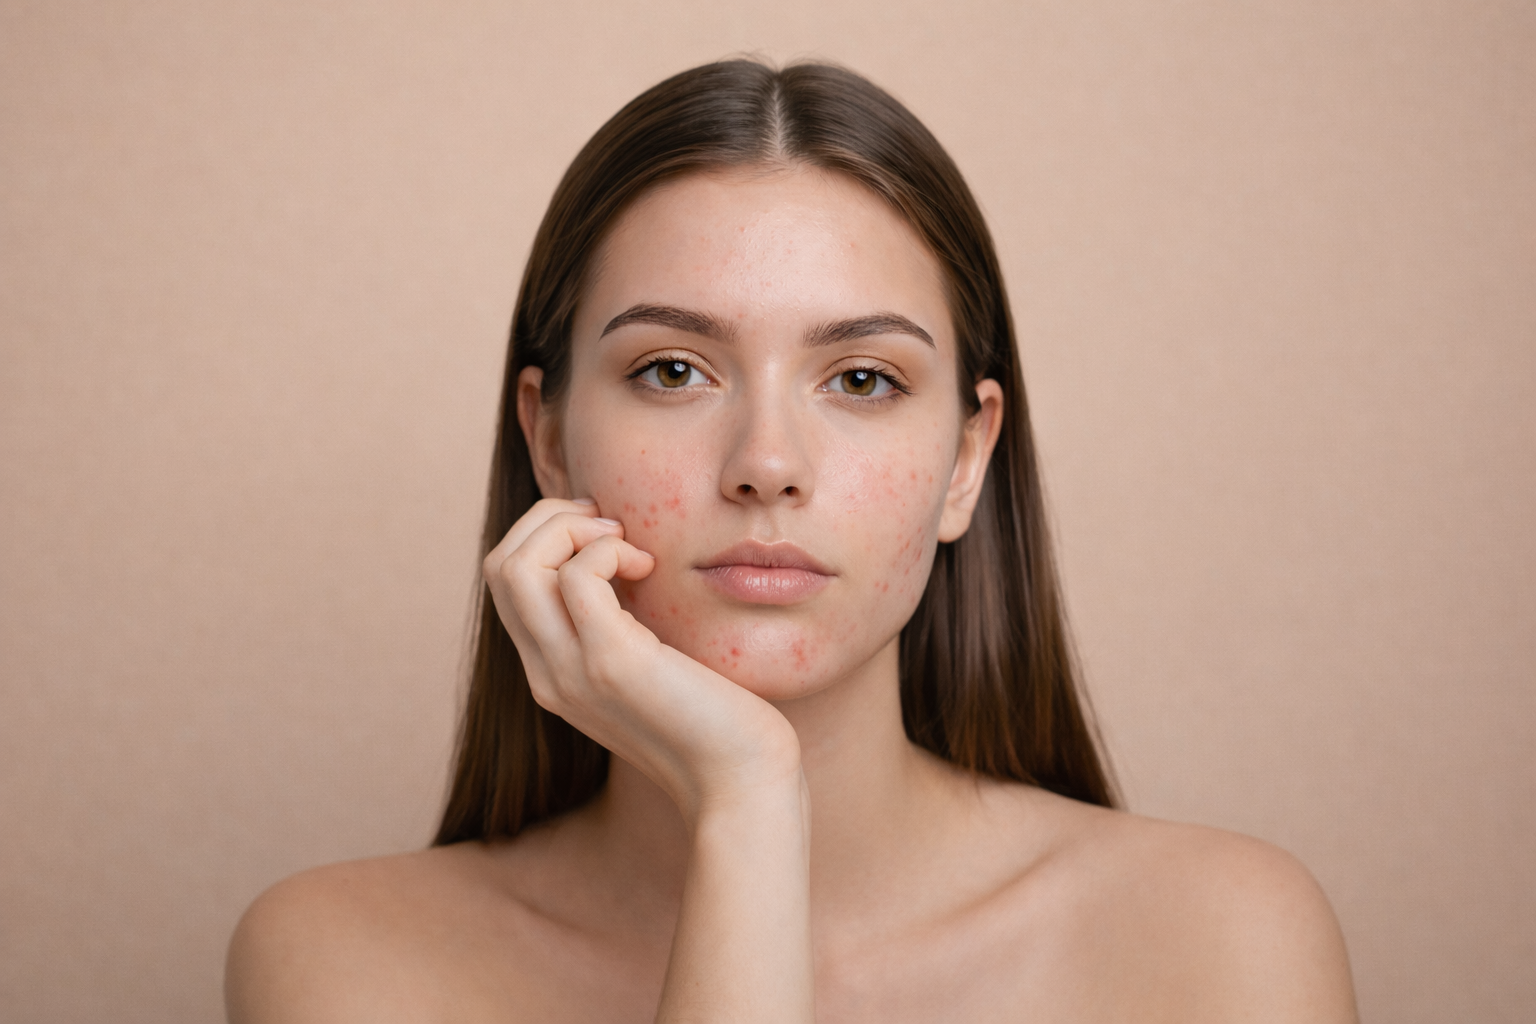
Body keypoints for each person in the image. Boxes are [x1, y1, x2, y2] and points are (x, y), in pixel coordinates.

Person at [225, 59, 1357, 1023]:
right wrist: (747, 798)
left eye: (863, 378)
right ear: (551, 440)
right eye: (674, 370)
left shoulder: (1221, 944)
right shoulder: (342, 960)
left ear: (968, 459)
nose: (767, 460)